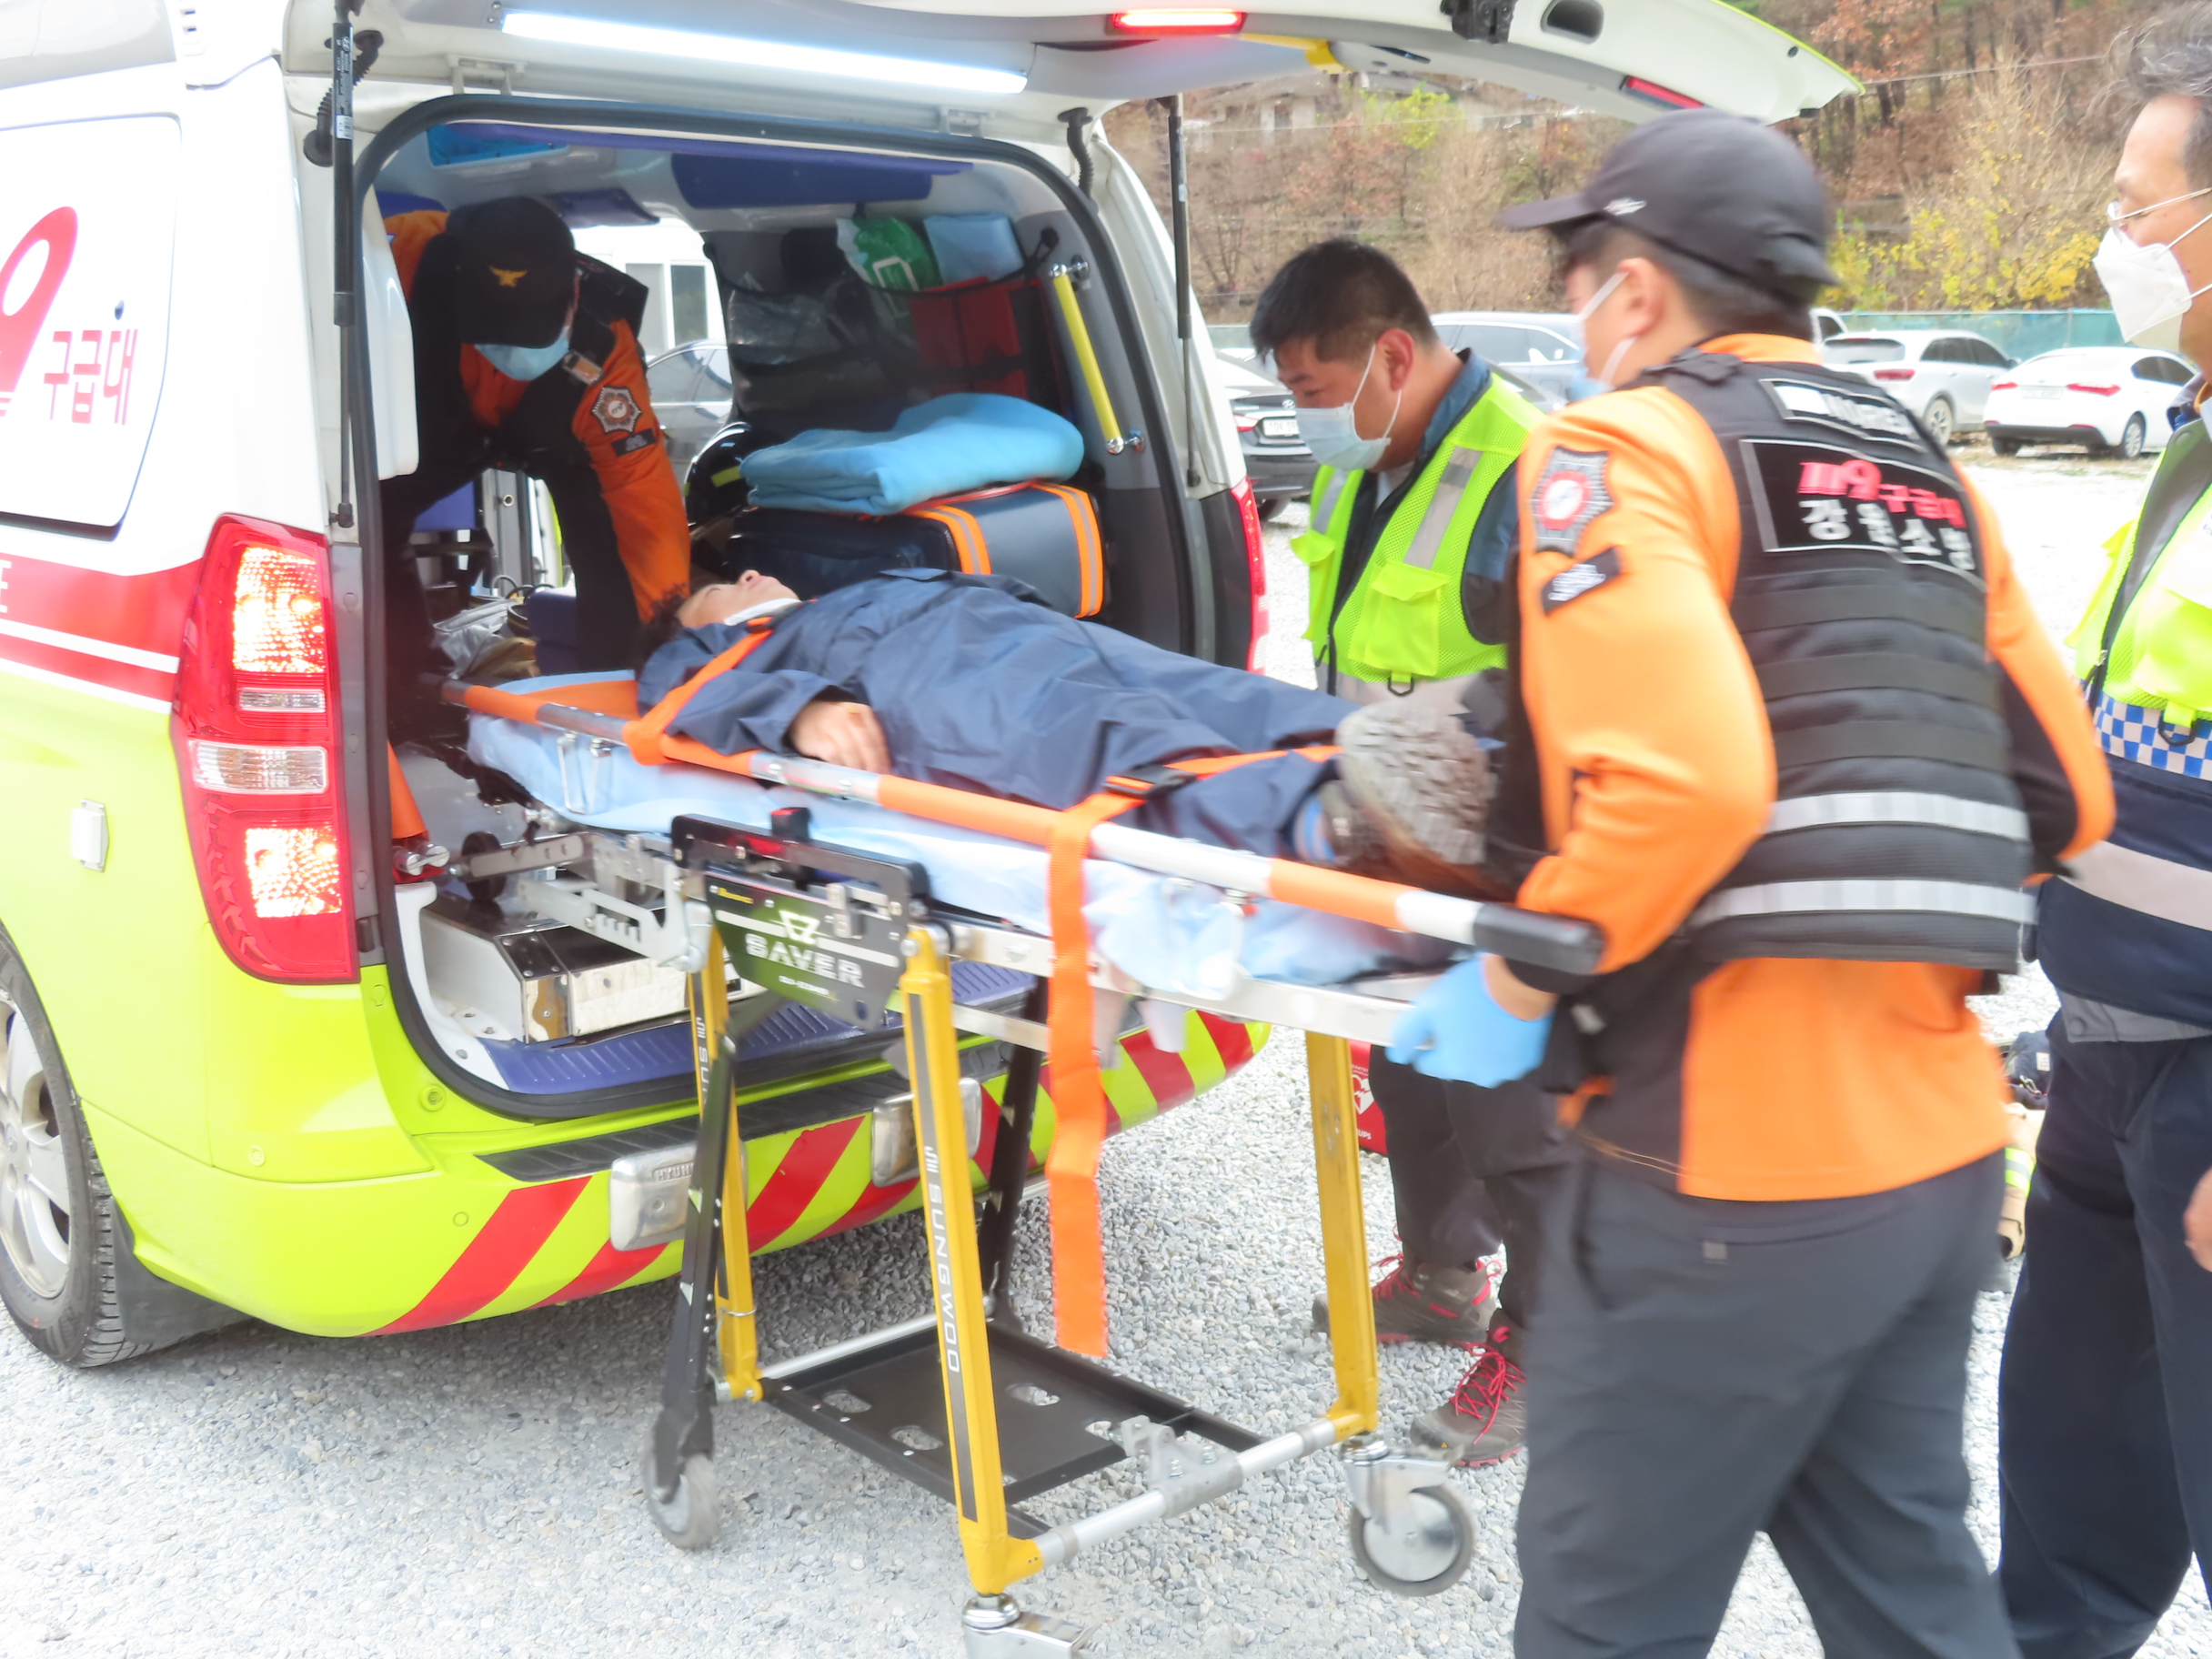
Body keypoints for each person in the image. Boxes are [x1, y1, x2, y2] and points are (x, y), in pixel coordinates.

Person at [1356, 109, 2112, 1656]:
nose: (1578, 321)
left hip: (1713, 1177)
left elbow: (1684, 786)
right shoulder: (1923, 471)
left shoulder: (1619, 449)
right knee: (1910, 1599)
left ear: (1634, 291)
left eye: (1578, 283)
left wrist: (1512, 980)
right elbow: (2064, 795)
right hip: (1932, 1159)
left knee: (1605, 1616)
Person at [1247, 239, 1564, 1466]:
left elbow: (1573, 689)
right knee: (1411, 1078)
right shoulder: (1360, 471)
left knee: (1512, 1110)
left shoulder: (1529, 471)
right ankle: (1442, 1277)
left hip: (1500, 858)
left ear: (1390, 354)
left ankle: (1551, 1353)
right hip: (1387, 845)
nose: (1305, 422)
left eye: (1314, 393)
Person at [2000, 14, 2212, 1654]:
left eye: (2139, 209)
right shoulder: (2193, 451)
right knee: (2073, 1503)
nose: (2113, 240)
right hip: (2110, 1050)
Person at [635, 566, 1492, 881]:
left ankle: (1479, 767)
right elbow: (669, 696)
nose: (743, 582)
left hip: (1021, 630)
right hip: (922, 680)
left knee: (1231, 696)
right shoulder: (725, 650)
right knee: (1118, 744)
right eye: (717, 595)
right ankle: (1321, 821)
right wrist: (802, 709)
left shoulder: (844, 590)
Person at [380, 196, 690, 693]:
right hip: (442, 419)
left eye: (530, 334)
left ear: (574, 293)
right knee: (372, 520)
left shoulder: (604, 357)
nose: (510, 352)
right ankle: (403, 687)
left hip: (562, 441)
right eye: (495, 333)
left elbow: (647, 512)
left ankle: (610, 696)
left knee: (612, 562)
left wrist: (673, 643)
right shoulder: (402, 253)